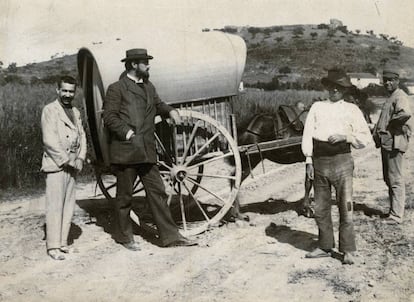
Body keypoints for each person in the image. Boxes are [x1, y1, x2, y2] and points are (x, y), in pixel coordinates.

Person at [103, 48, 197, 250]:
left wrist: (170, 111)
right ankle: (124, 237)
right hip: (126, 151)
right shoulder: (117, 88)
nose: (148, 65)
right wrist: (128, 134)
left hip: (146, 151)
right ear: (133, 64)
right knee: (124, 197)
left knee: (158, 193)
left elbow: (159, 104)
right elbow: (109, 116)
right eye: (145, 62)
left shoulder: (149, 87)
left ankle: (171, 237)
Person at [301, 68, 372, 264]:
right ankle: (324, 245)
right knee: (321, 207)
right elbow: (307, 135)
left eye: (339, 88)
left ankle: (348, 249)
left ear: (344, 90)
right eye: (332, 87)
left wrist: (346, 136)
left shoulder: (352, 109)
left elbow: (365, 137)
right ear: (327, 87)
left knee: (345, 205)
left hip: (342, 160)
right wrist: (309, 161)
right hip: (320, 161)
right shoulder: (317, 107)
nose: (335, 91)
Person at [41, 76, 87, 260]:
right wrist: (68, 160)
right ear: (57, 90)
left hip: (73, 164)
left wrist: (81, 157)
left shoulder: (75, 111)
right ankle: (52, 247)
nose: (68, 94)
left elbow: (82, 136)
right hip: (57, 165)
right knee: (54, 205)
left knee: (68, 205)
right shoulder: (50, 110)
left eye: (71, 91)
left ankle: (63, 243)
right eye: (64, 90)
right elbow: (49, 140)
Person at [372, 66, 413, 225]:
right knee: (389, 177)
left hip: (394, 142)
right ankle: (393, 212)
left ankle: (396, 216)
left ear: (397, 81)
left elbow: (405, 114)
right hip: (387, 142)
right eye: (385, 80)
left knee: (395, 178)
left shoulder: (399, 96)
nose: (387, 83)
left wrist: (389, 126)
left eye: (391, 80)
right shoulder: (392, 96)